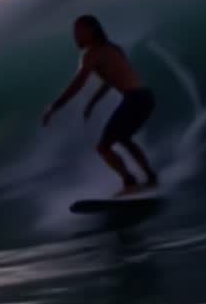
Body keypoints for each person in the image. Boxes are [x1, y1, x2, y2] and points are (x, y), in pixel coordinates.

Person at [42, 14, 158, 196]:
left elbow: (77, 84)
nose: (75, 36)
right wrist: (92, 102)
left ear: (91, 30)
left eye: (78, 31)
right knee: (124, 138)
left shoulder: (91, 54)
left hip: (135, 100)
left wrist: (54, 106)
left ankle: (130, 182)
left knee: (103, 147)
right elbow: (111, 80)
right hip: (145, 97)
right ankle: (151, 178)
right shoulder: (112, 48)